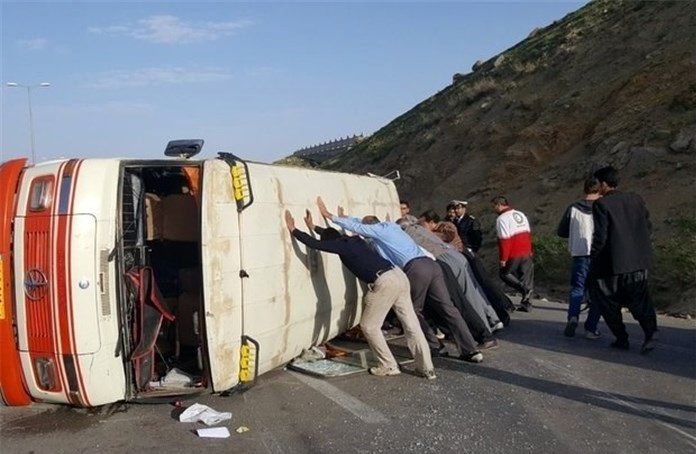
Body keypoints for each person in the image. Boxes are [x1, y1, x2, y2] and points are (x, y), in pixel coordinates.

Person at [317, 197, 484, 363]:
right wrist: (347, 218)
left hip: (416, 268)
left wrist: (331, 217)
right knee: (448, 308)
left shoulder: (378, 231)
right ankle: (470, 350)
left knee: (412, 311)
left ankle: (434, 346)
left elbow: (360, 228)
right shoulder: (390, 226)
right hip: (432, 265)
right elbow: (361, 224)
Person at [284, 209, 435, 378]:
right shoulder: (355, 240)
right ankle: (426, 368)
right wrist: (314, 227)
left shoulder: (340, 246)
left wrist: (294, 229)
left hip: (385, 282)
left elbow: (315, 244)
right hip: (399, 276)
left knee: (369, 327)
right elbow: (331, 236)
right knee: (411, 324)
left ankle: (389, 365)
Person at [397, 216, 502, 345]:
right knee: (469, 294)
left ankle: (483, 333)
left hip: (443, 259)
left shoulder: (407, 234)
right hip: (453, 255)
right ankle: (489, 325)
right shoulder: (419, 229)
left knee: (459, 300)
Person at [588, 166, 658, 354]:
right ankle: (651, 333)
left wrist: (592, 257)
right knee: (640, 300)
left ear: (603, 184)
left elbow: (600, 238)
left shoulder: (601, 205)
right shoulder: (636, 199)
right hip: (638, 261)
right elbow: (647, 226)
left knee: (608, 303)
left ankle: (621, 338)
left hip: (611, 265)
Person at [420, 209, 514, 324]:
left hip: (465, 258)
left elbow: (449, 236)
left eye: (423, 224)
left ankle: (498, 315)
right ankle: (495, 317)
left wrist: (427, 234)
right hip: (461, 258)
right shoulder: (444, 225)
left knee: (479, 288)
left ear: (431, 222)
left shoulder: (446, 225)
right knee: (476, 290)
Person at [557, 177, 603, 339]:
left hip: (579, 254)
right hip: (599, 255)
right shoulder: (603, 207)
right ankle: (591, 328)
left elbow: (561, 231)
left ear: (584, 190)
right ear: (600, 190)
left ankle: (573, 317)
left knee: (577, 288)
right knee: (597, 292)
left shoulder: (573, 208)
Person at [492, 196, 534, 312]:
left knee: (505, 274)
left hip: (514, 252)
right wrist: (530, 249)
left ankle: (524, 289)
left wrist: (503, 258)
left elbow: (504, 239)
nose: (494, 209)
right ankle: (527, 304)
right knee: (526, 276)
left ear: (499, 205)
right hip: (526, 250)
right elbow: (528, 233)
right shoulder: (520, 214)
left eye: (494, 206)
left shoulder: (502, 219)